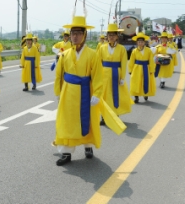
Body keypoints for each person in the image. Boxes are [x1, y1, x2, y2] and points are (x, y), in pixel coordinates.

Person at [54, 14, 125, 166]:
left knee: (88, 121)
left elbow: (98, 76)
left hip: (86, 91)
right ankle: (66, 152)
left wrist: (98, 94)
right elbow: (59, 76)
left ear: (85, 35)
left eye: (79, 33)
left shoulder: (92, 55)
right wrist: (58, 93)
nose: (75, 36)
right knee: (67, 121)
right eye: (73, 33)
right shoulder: (64, 55)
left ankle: (88, 146)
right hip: (68, 93)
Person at [97, 24, 131, 122]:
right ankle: (103, 117)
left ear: (117, 36)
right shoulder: (102, 48)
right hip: (104, 75)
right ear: (107, 36)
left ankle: (116, 114)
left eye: (113, 35)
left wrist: (122, 78)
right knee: (104, 95)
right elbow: (98, 62)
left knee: (116, 95)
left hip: (116, 74)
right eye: (109, 35)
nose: (111, 37)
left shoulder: (121, 49)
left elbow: (124, 63)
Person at [128, 32, 156, 103]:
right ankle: (136, 97)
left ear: (144, 42)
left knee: (145, 82)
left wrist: (152, 69)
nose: (140, 43)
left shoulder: (148, 50)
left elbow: (151, 61)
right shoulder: (134, 51)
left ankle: (145, 94)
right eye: (139, 42)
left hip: (146, 68)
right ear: (137, 43)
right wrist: (130, 70)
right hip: (137, 68)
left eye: (142, 42)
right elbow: (131, 61)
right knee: (136, 82)